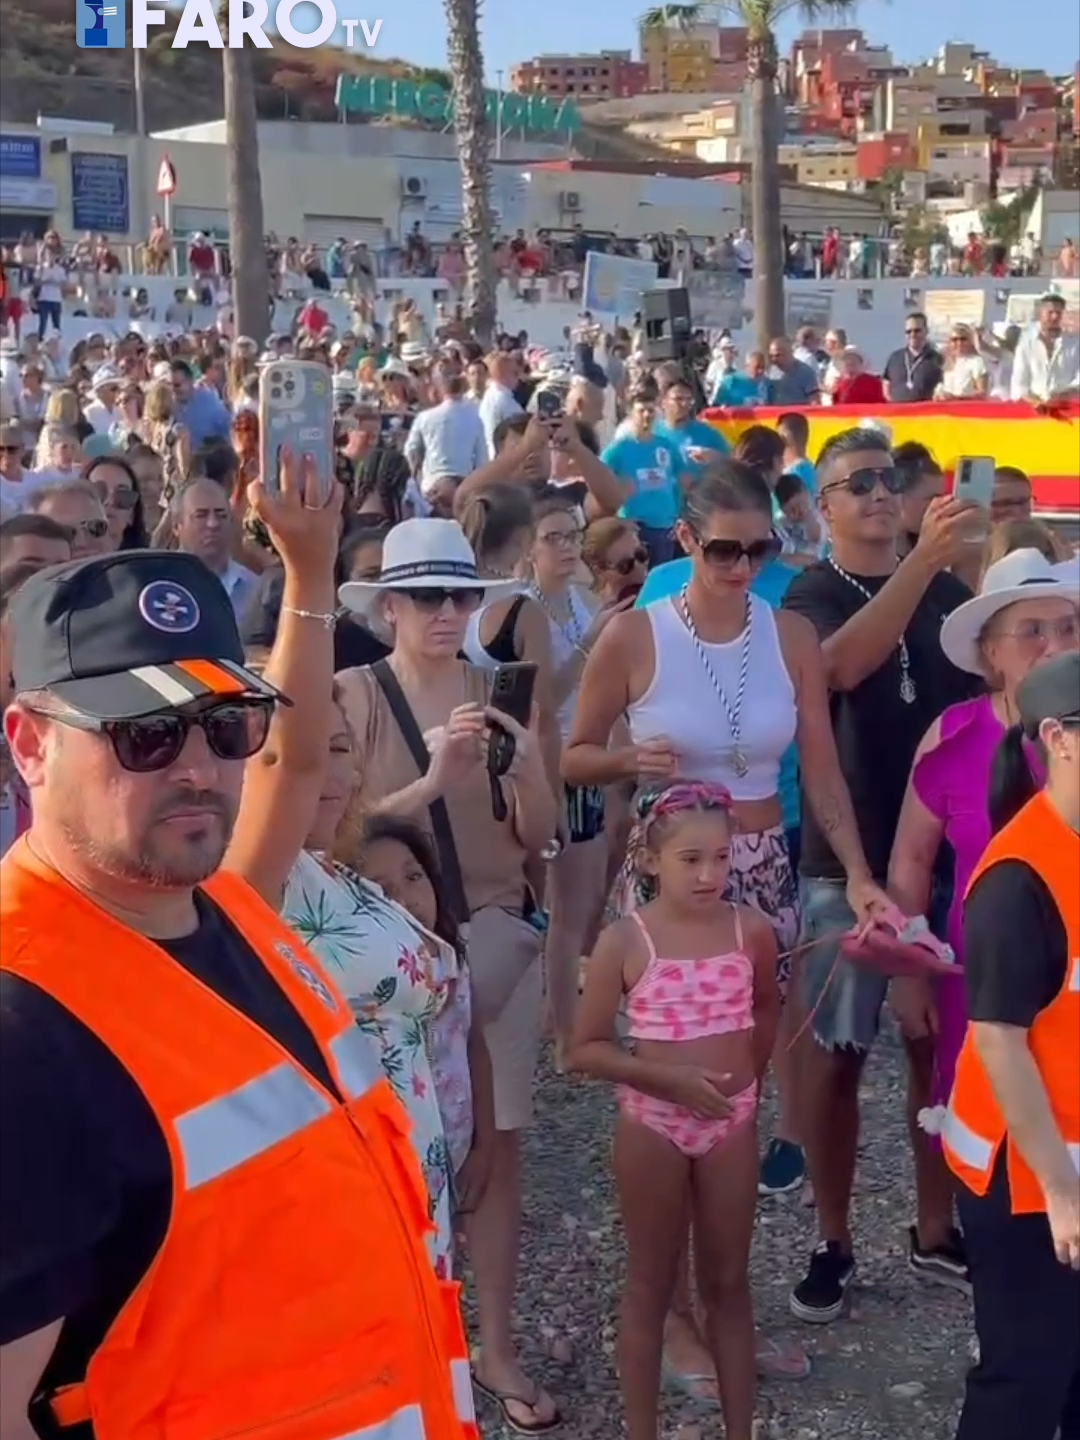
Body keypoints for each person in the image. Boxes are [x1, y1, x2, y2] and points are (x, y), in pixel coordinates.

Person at [0, 549, 478, 1440]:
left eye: (226, 726)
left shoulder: (225, 905)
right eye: (145, 733)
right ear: (31, 743)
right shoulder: (23, 1029)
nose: (197, 768)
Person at [565, 458, 889, 1391]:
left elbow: (820, 771)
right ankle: (674, 1324)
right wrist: (629, 753)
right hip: (671, 886)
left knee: (742, 1093)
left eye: (761, 549)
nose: (744, 566)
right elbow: (575, 756)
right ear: (685, 543)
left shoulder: (787, 633)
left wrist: (859, 876)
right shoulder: (636, 636)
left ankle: (721, 1308)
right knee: (673, 1092)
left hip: (766, 874)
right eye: (724, 551)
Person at [335, 518, 561, 1434]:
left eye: (460, 596)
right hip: (384, 957)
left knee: (497, 1156)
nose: (444, 612)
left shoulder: (499, 691)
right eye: (426, 596)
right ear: (388, 604)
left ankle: (492, 1344)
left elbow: (541, 832)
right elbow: (337, 839)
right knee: (387, 1157)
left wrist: (526, 759)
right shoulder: (349, 695)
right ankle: (406, 1339)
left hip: (494, 944)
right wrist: (433, 781)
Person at [782, 426, 982, 1323]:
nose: (875, 493)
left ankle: (935, 1226)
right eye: (853, 483)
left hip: (947, 851)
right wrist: (923, 560)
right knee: (837, 1057)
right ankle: (833, 1237)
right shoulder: (810, 592)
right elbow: (839, 665)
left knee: (936, 1048)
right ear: (822, 507)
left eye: (885, 479)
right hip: (847, 858)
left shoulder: (947, 588)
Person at [569, 783, 781, 1440]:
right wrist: (668, 1081)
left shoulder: (752, 930)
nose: (711, 874)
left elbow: (768, 1009)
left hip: (730, 1119)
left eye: (722, 858)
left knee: (729, 1282)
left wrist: (749, 1080)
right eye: (692, 859)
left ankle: (739, 1429)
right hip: (652, 1124)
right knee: (650, 1282)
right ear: (652, 860)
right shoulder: (626, 941)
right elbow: (583, 1049)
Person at [888, 550, 1079, 1266]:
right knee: (978, 1120)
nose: (1055, 644)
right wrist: (909, 971)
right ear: (991, 653)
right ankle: (975, 1246)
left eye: (1067, 626)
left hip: (1074, 989)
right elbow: (911, 860)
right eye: (1032, 630)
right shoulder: (955, 735)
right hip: (979, 975)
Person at [941, 650, 1080, 1440]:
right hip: (1031, 1180)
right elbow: (999, 1043)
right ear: (1057, 737)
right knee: (1026, 1379)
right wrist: (1063, 1192)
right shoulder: (1019, 877)